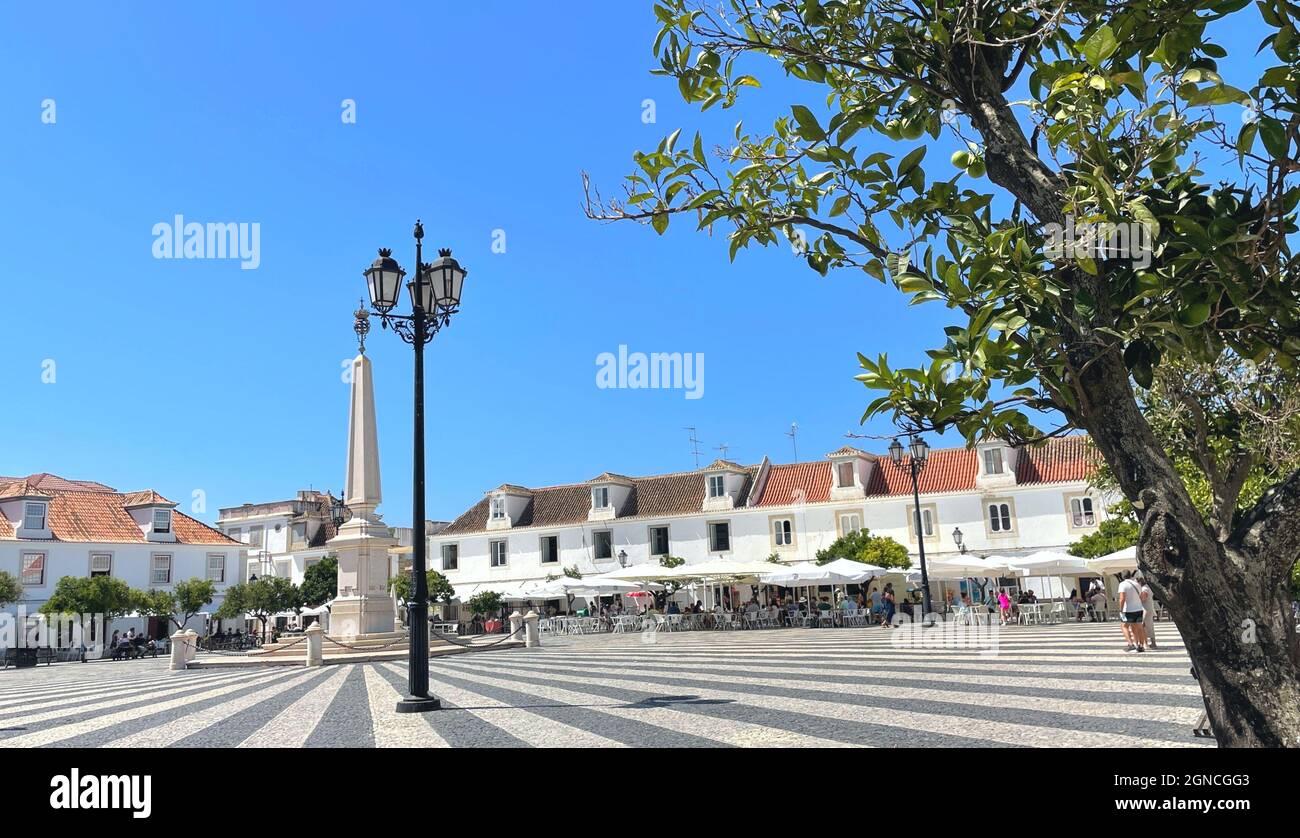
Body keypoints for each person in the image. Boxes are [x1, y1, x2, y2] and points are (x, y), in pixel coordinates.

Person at [1116, 570, 1148, 652]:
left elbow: (1122, 598)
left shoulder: (1122, 584)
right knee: (1138, 627)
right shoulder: (1137, 584)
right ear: (1130, 575)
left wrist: (1121, 610)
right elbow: (1141, 596)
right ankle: (1141, 645)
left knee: (1124, 626)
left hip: (1128, 609)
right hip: (1138, 608)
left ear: (1122, 576)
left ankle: (1131, 644)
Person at [1137, 572, 1157, 650]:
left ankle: (1150, 643)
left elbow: (1143, 598)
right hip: (1148, 608)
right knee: (1148, 626)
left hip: (1146, 609)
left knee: (1145, 626)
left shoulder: (1144, 589)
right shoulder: (1147, 587)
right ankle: (1152, 642)